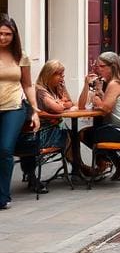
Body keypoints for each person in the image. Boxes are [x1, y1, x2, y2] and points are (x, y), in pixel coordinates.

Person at [23, 60, 92, 190]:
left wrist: (63, 88)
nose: (61, 78)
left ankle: (78, 169)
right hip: (42, 133)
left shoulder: (54, 89)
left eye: (63, 75)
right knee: (72, 135)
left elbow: (70, 103)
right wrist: (61, 106)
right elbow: (58, 108)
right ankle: (78, 169)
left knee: (73, 133)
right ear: (49, 75)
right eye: (59, 75)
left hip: (52, 129)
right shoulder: (40, 90)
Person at [77, 52, 120, 183]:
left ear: (112, 66)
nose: (99, 70)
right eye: (97, 67)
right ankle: (109, 163)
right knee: (97, 128)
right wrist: (100, 92)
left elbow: (105, 110)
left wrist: (97, 100)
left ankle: (114, 163)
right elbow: (111, 104)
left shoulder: (115, 84)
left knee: (84, 134)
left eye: (102, 66)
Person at [0, 16, 40, 209]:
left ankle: (3, 196)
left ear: (14, 36)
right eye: (0, 33)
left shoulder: (20, 56)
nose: (3, 38)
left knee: (6, 149)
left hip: (13, 107)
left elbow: (27, 85)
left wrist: (34, 110)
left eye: (7, 34)